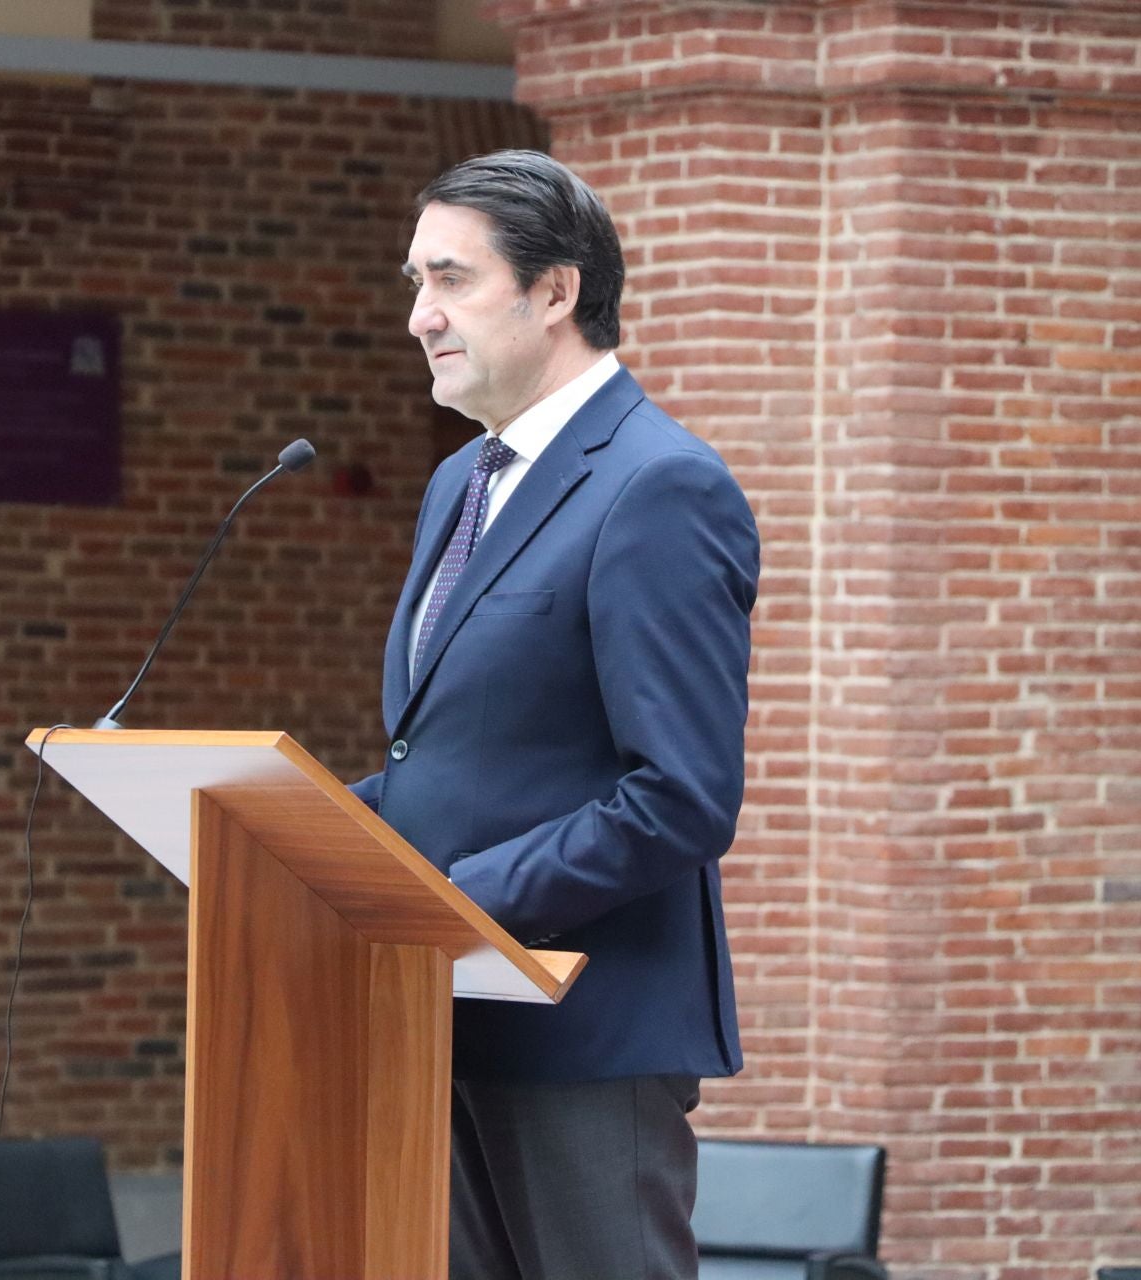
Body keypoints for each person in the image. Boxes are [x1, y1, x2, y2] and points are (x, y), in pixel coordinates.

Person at [348, 149, 760, 1280]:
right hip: (445, 1023)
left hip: (586, 1033)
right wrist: (290, 829)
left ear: (557, 290)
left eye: (451, 280)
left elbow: (679, 795)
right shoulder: (461, 484)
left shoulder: (658, 484)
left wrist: (452, 900)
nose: (421, 316)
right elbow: (455, 756)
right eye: (414, 284)